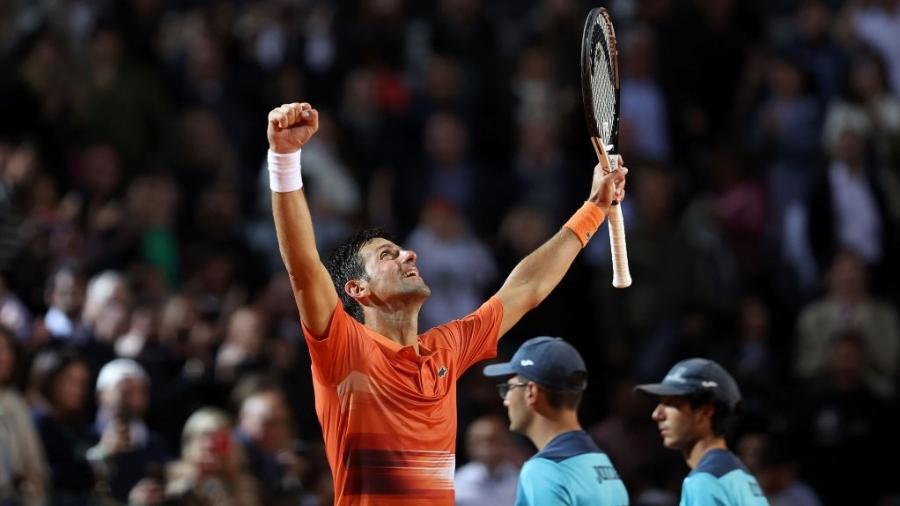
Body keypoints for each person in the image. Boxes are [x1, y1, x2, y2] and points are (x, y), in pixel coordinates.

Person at [266, 101, 627, 505]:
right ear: (357, 290)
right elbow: (301, 264)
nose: (409, 255)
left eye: (403, 250)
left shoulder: (446, 349)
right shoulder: (344, 349)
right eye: (387, 256)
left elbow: (526, 287)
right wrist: (284, 158)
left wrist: (593, 209)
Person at [483, 336, 629, 505]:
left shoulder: (544, 470)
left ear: (531, 392)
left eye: (509, 388)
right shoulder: (603, 463)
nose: (505, 400)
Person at [635, 358, 769, 505]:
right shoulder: (742, 475)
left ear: (705, 412)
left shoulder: (704, 481)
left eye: (671, 403)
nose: (656, 414)